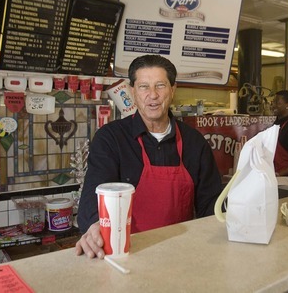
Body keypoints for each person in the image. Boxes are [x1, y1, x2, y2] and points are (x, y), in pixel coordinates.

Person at [75, 54, 222, 259]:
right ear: (133, 92)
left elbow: (211, 205)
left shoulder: (194, 142)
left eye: (160, 85)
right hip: (125, 254)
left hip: (182, 254)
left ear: (173, 90)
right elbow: (95, 192)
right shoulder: (111, 138)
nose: (152, 95)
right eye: (144, 87)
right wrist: (94, 226)